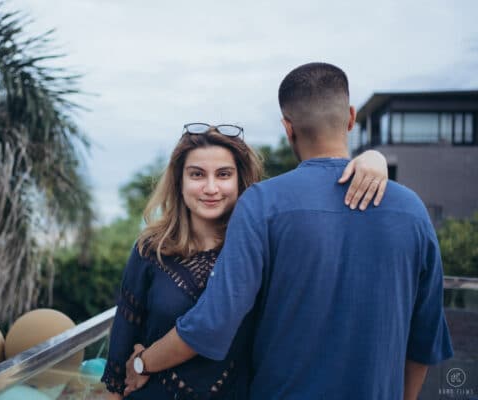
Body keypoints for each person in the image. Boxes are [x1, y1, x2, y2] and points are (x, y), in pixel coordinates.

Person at [123, 63, 453, 400]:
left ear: (287, 127)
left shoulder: (262, 204)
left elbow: (212, 323)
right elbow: (424, 340)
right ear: (351, 117)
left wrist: (142, 363)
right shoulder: (412, 210)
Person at [102, 119, 390, 399]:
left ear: (241, 181)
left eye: (224, 174)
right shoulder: (151, 250)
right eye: (197, 174)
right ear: (179, 181)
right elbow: (119, 357)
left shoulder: (262, 245)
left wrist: (374, 158)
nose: (211, 188)